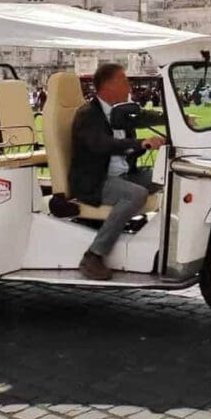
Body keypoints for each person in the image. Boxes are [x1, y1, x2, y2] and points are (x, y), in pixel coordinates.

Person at [69, 63, 166, 280]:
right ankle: (94, 255)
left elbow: (144, 118)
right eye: (124, 80)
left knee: (166, 174)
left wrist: (173, 121)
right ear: (108, 85)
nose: (129, 85)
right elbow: (102, 144)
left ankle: (160, 239)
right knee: (136, 194)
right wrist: (142, 144)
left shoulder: (121, 111)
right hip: (96, 180)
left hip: (124, 174)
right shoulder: (87, 114)